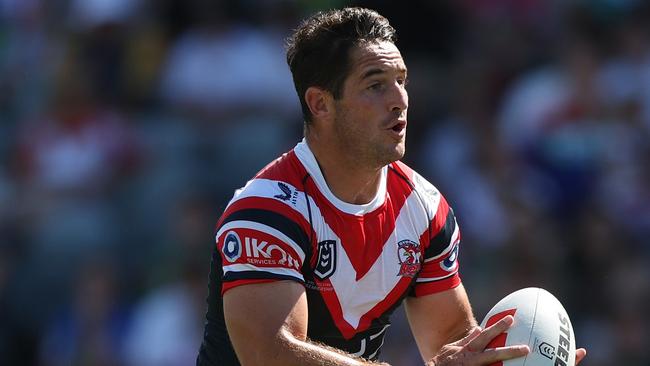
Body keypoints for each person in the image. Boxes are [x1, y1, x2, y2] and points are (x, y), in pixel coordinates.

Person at [196, 7, 587, 366]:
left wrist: (509, 359)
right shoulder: (266, 212)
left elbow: (450, 344)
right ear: (320, 104)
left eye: (401, 81)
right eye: (375, 85)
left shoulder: (424, 210)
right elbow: (270, 355)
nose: (399, 99)